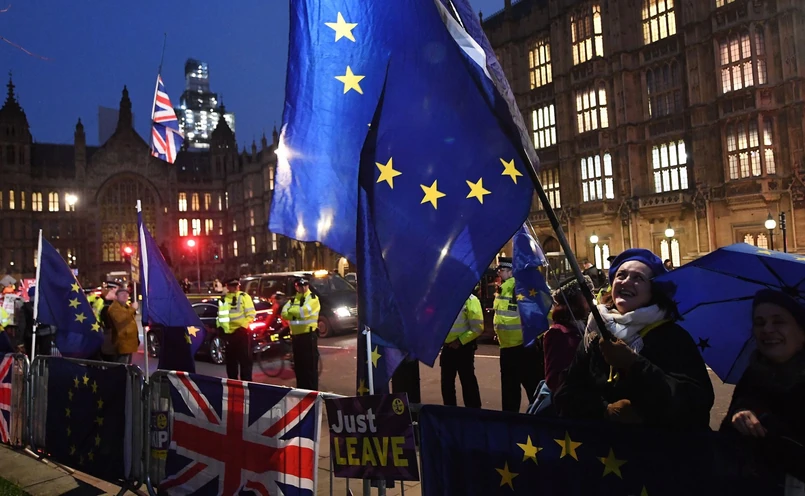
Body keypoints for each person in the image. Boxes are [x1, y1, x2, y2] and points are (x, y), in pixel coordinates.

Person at [553, 248, 714, 429]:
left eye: (638, 278)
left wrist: (634, 364)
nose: (626, 281)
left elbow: (695, 404)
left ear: (653, 290)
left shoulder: (672, 337)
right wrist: (604, 410)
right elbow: (564, 395)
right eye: (621, 275)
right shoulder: (595, 334)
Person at [720, 289, 805, 481]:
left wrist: (773, 430)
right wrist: (739, 416)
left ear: (802, 333)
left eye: (778, 321)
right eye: (759, 323)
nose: (767, 329)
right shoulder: (752, 376)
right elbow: (726, 444)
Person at [493, 257, 540, 412]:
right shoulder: (503, 288)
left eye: (502, 270)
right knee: (516, 388)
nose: (499, 273)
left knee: (519, 388)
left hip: (521, 346)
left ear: (511, 271)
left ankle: (531, 418)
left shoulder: (517, 288)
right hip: (508, 346)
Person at [543, 275, 594, 392]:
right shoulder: (558, 333)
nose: (591, 296)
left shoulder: (588, 325)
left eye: (591, 292)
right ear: (573, 300)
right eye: (586, 293)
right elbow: (554, 380)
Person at [440, 292, 483, 408]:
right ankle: (450, 412)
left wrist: (459, 341)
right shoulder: (445, 299)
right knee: (447, 384)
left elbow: (478, 328)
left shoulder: (471, 300)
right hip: (447, 347)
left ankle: (473, 412)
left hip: (464, 348)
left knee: (468, 382)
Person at [282, 277, 320, 390]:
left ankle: (312, 392)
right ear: (296, 287)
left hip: (308, 337)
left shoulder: (313, 298)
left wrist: (292, 312)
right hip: (296, 338)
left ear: (308, 285)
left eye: (305, 285)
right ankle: (301, 392)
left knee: (310, 368)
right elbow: (284, 313)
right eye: (300, 286)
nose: (303, 288)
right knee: (299, 368)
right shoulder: (293, 300)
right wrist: (296, 313)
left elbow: (304, 312)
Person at [217, 279, 256, 381]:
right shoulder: (224, 299)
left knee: (245, 362)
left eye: (236, 285)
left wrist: (242, 328)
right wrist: (220, 328)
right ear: (227, 286)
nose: (235, 288)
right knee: (231, 364)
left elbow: (251, 315)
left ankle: (246, 384)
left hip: (242, 334)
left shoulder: (244, 297)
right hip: (229, 336)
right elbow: (220, 316)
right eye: (232, 285)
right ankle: (233, 384)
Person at [106, 287, 139, 364]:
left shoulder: (126, 307)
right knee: (122, 365)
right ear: (116, 296)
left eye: (126, 294)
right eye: (122, 294)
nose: (125, 295)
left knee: (127, 364)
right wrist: (133, 309)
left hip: (128, 342)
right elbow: (120, 319)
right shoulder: (114, 307)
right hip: (122, 342)